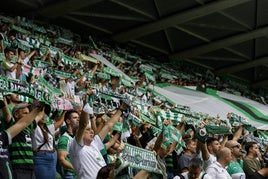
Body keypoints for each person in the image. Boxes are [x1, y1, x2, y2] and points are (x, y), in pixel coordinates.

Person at [69, 100, 127, 179]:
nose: (92, 131)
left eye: (91, 129)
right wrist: (87, 104)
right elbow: (83, 124)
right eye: (88, 130)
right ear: (79, 132)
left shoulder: (94, 143)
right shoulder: (76, 146)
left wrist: (121, 109)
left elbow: (108, 125)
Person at [0, 102, 44, 179]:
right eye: (25, 113)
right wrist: (2, 100)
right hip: (18, 169)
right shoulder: (11, 126)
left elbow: (39, 115)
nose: (29, 116)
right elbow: (6, 113)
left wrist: (44, 103)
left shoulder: (29, 127)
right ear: (16, 115)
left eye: (29, 113)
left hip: (31, 169)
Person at [32, 109, 65, 179]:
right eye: (41, 115)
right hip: (41, 159)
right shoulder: (34, 128)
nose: (44, 116)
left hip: (52, 159)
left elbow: (60, 122)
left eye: (45, 115)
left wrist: (65, 111)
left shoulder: (47, 129)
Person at [58, 109, 80, 179]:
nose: (78, 120)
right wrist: (75, 168)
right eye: (74, 118)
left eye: (78, 118)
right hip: (71, 175)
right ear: (68, 121)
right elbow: (62, 159)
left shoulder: (78, 137)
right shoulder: (64, 138)